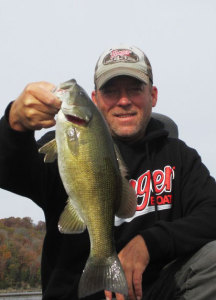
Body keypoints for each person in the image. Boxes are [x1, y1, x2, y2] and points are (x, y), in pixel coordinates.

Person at [0, 44, 216, 300]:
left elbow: (211, 211)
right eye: (111, 91)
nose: (123, 101)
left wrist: (150, 243)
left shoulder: (179, 157)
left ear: (153, 95)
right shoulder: (63, 144)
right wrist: (14, 124)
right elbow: (8, 170)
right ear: (95, 100)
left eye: (134, 89)